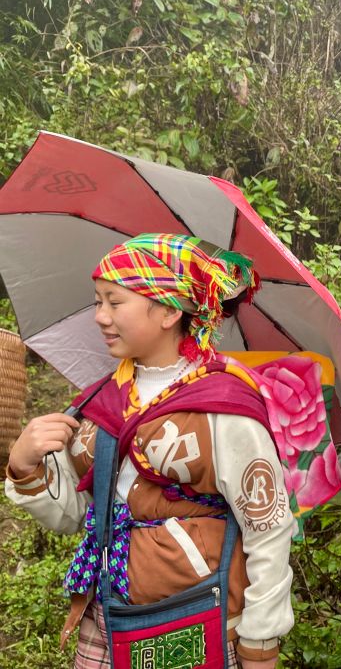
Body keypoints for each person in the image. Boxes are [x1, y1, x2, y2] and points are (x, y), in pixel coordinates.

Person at [4, 233, 294, 668]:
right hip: (107, 615)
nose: (100, 316)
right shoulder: (100, 403)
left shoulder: (222, 407)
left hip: (195, 618)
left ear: (169, 311)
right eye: (97, 301)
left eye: (114, 302)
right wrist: (25, 466)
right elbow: (76, 517)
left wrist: (260, 641)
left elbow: (267, 529)